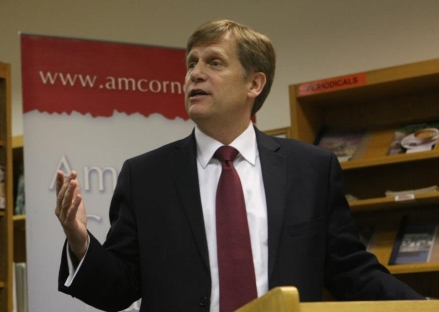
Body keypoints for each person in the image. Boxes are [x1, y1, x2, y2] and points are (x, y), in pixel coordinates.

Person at [55, 19, 424, 312]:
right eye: (191, 63)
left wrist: (423, 308)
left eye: (214, 62)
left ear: (254, 83)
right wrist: (80, 242)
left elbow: (350, 270)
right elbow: (120, 288)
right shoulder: (146, 176)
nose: (195, 74)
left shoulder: (311, 170)